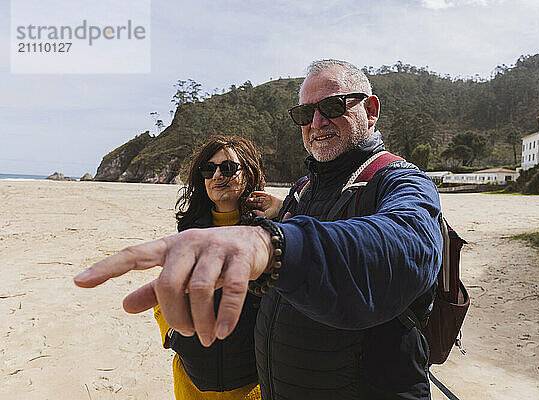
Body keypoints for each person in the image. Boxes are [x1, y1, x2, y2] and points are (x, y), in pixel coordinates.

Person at [75, 60, 443, 400]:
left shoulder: (401, 181)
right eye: (304, 114)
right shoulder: (303, 190)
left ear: (371, 110)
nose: (316, 122)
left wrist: (272, 244)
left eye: (332, 107)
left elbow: (405, 248)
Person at [154, 135, 264, 400]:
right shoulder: (188, 235)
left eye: (227, 167)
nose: (217, 175)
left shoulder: (268, 234)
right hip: (192, 381)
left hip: (252, 383)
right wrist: (171, 334)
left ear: (248, 175)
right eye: (209, 168)